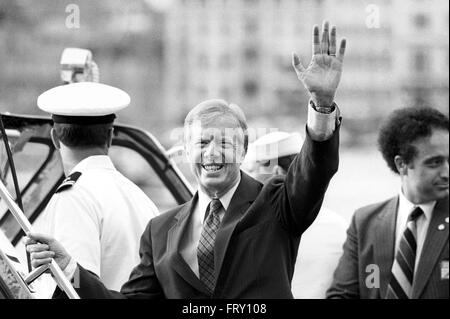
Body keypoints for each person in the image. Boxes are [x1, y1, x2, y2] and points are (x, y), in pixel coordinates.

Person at [26, 20, 346, 298]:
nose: (212, 152)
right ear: (186, 151)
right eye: (202, 142)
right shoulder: (160, 231)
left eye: (225, 142)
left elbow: (314, 171)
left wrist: (321, 106)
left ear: (243, 150)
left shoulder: (277, 203)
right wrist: (70, 269)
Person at [33, 82, 159, 291]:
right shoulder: (141, 198)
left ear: (55, 138)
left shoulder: (73, 197)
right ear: (110, 136)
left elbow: (73, 289)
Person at [327, 107, 449, 299]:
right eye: (435, 163)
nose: (446, 172)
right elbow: (342, 295)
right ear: (402, 165)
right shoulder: (365, 222)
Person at [243, 131, 348, 298]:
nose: (245, 180)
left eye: (250, 170)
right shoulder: (343, 227)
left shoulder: (256, 230)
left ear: (276, 173)